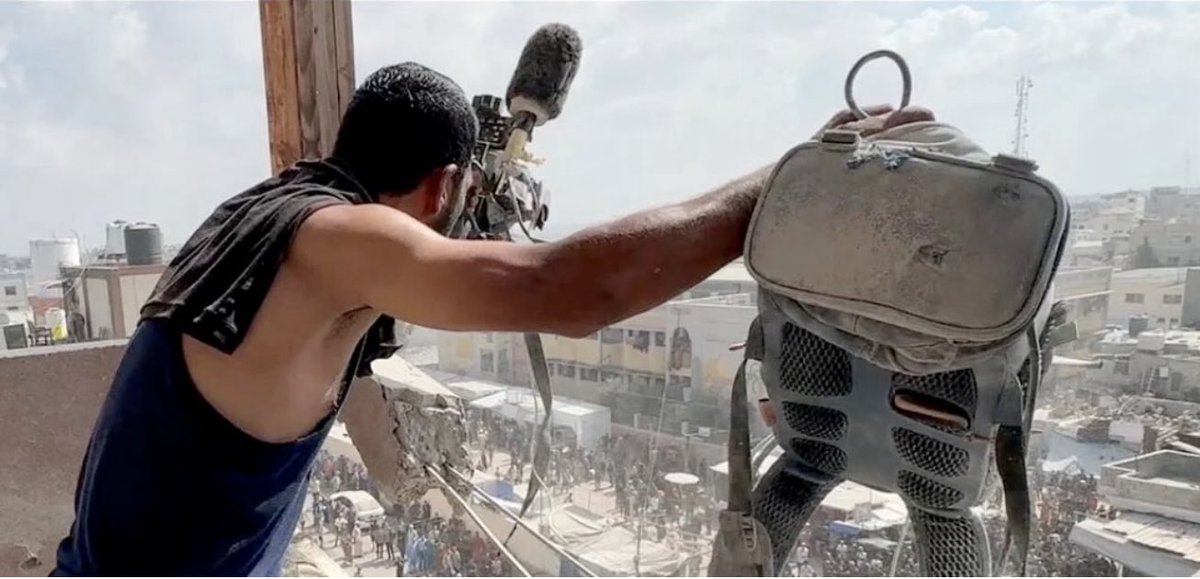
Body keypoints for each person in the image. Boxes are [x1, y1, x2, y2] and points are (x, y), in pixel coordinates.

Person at [51, 58, 933, 576]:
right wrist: (798, 175)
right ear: (442, 186)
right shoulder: (337, 241)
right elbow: (576, 291)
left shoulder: (261, 215)